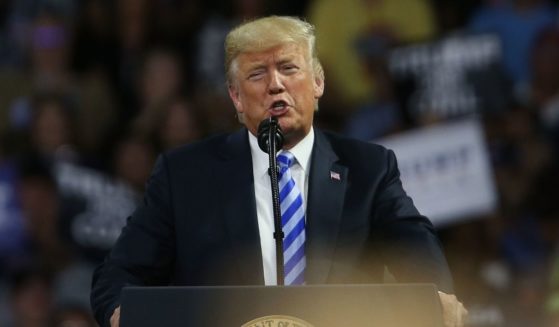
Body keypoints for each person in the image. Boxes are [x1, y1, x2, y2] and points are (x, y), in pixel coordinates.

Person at [91, 16, 467, 327]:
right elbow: (117, 276)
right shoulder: (185, 175)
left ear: (317, 82)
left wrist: (438, 301)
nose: (275, 85)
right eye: (257, 74)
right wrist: (121, 314)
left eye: (288, 68)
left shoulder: (367, 168)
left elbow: (420, 261)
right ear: (236, 97)